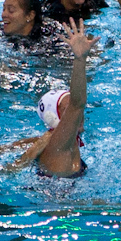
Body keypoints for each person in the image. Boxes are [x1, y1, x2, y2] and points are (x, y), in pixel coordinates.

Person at [35, 18, 99, 177]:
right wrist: (80, 60)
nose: (78, 114)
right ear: (53, 117)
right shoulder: (57, 145)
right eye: (66, 108)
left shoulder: (52, 143)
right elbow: (78, 103)